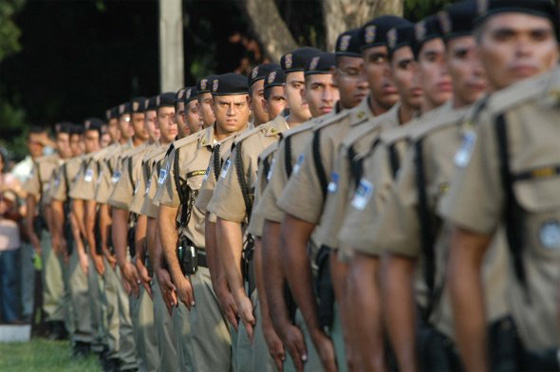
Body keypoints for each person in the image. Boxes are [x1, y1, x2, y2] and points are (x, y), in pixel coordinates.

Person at [438, 1, 559, 370]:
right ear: (478, 51)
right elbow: (464, 256)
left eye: (537, 36)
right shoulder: (503, 123)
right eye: (506, 36)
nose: (523, 49)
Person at [158, 73, 251, 371]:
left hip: (250, 269)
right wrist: (176, 272)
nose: (229, 111)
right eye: (220, 104)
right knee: (209, 363)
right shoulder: (185, 152)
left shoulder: (259, 147)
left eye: (237, 104)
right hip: (204, 270)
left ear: (248, 105)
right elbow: (167, 215)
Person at [0, 148, 25, 324]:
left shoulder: (11, 180)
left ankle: (11, 317)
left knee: (10, 280)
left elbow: (25, 197)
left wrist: (12, 189)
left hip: (9, 238)